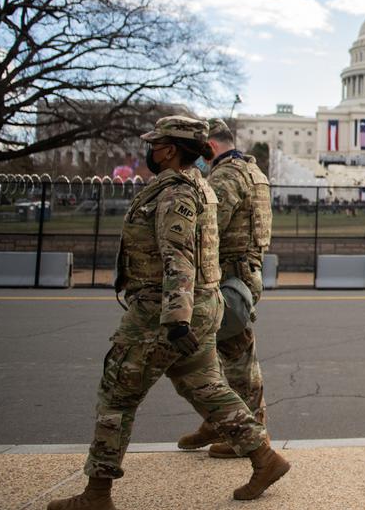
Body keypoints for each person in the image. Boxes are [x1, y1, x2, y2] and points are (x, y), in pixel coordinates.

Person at [47, 116, 289, 510]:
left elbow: (179, 257)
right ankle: (265, 457)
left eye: (156, 144)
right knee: (206, 384)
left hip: (164, 308)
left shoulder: (176, 192)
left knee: (117, 395)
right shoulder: (201, 186)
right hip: (201, 302)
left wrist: (176, 319)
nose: (150, 150)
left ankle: (97, 493)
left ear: (170, 149)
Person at [177, 118, 274, 458]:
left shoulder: (227, 176)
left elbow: (208, 226)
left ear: (212, 147)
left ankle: (251, 434)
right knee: (213, 354)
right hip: (244, 272)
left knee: (236, 357)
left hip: (230, 276)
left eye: (202, 152)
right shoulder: (253, 171)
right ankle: (218, 421)